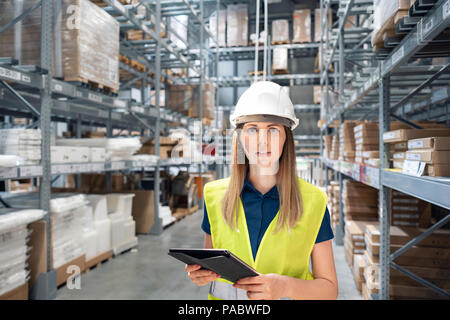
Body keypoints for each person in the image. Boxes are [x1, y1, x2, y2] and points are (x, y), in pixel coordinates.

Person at [185, 81, 338, 300]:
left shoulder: (313, 201)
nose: (263, 141)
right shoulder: (214, 196)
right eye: (252, 129)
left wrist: (286, 287)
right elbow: (211, 268)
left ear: (286, 138)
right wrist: (201, 275)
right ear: (239, 138)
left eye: (273, 130)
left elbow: (330, 290)